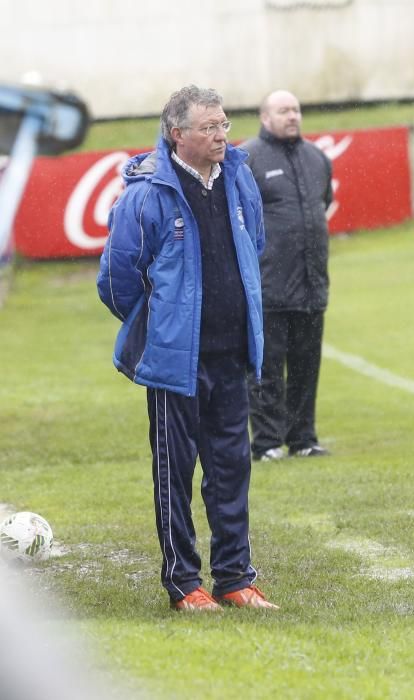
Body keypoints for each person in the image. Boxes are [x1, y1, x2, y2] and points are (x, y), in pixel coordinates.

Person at [97, 86, 278, 612]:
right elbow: (116, 279)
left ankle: (235, 578)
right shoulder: (144, 194)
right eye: (209, 128)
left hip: (231, 353)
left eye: (223, 124)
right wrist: (163, 328)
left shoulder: (239, 177)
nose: (221, 135)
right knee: (174, 473)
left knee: (231, 469)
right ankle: (183, 583)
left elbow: (255, 244)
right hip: (175, 361)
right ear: (178, 134)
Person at [241, 90, 333, 462]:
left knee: (306, 367)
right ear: (265, 117)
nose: (292, 116)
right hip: (269, 285)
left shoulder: (317, 159)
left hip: (312, 284)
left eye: (295, 109)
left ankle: (303, 438)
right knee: (265, 369)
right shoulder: (248, 159)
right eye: (283, 110)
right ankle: (266, 443)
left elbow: (321, 204)